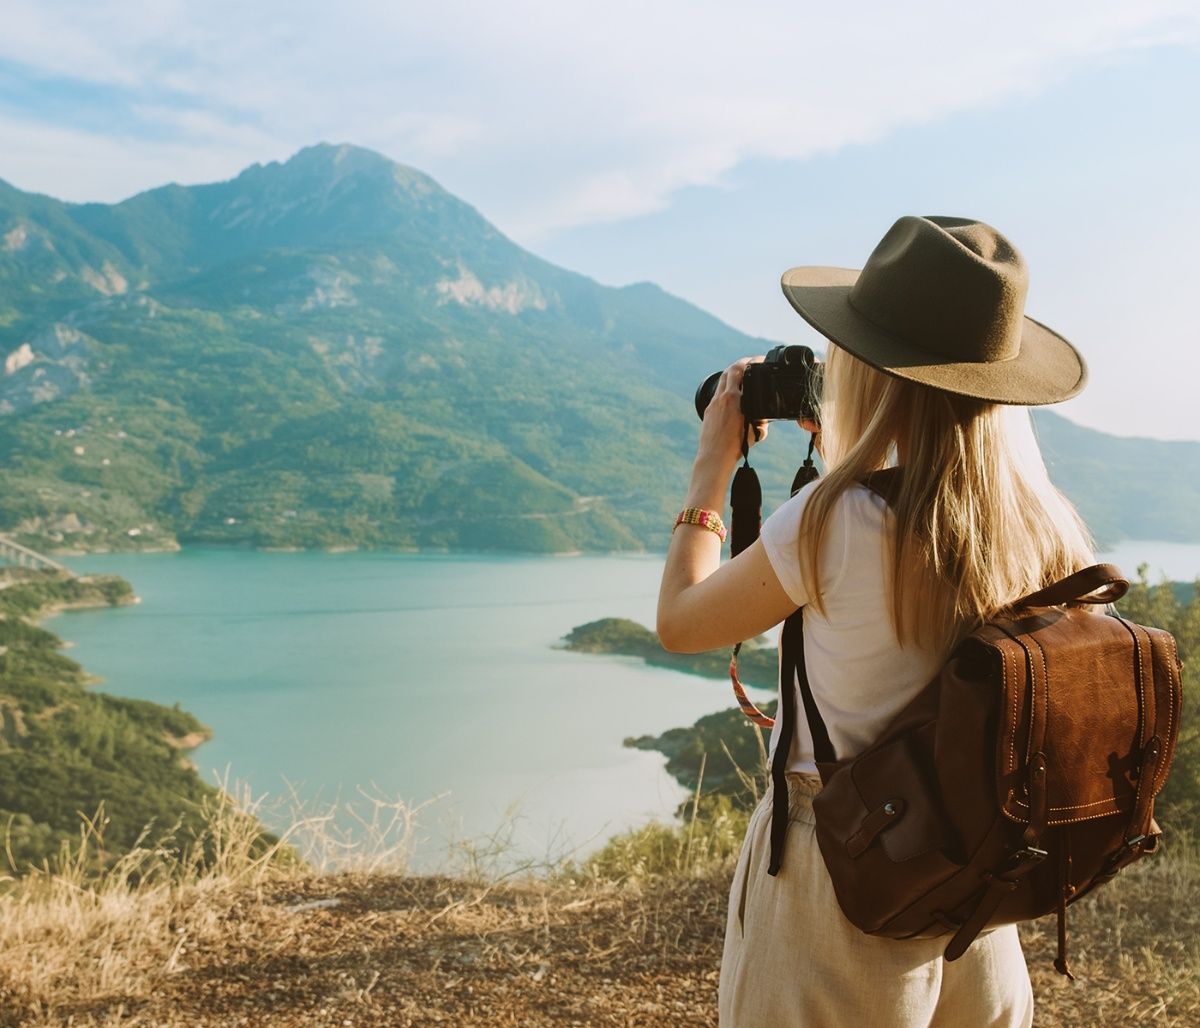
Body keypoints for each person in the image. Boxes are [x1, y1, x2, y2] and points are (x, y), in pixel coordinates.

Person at [656, 215, 1094, 1027]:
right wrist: (861, 447)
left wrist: (710, 470)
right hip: (976, 893)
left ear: (868, 368)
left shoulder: (834, 523)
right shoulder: (1046, 527)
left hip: (843, 881)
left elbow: (682, 621)